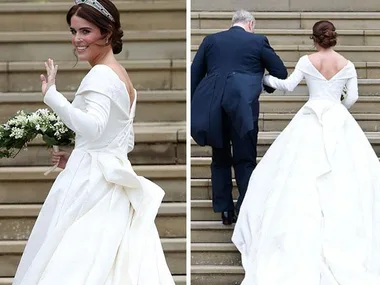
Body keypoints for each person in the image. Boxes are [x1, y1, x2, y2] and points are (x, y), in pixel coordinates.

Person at [12, 1, 175, 284]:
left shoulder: (100, 74)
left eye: (85, 31)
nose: (77, 39)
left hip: (92, 186)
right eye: (73, 31)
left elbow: (94, 127)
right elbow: (122, 139)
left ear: (107, 33)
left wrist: (52, 95)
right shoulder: (121, 75)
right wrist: (78, 154)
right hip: (109, 176)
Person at [232, 20, 380, 284]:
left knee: (295, 176)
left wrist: (265, 78)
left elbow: (288, 86)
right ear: (333, 38)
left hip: (310, 117)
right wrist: (338, 106)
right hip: (337, 117)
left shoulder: (306, 60)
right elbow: (353, 98)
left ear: (314, 39)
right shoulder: (347, 65)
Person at [191, 10, 287, 225]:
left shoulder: (211, 40)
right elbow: (280, 72)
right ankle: (245, 207)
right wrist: (259, 84)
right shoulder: (257, 41)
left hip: (213, 107)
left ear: (232, 23)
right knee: (245, 159)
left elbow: (195, 73)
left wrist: (196, 105)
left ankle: (225, 210)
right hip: (244, 107)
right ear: (250, 24)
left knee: (220, 158)